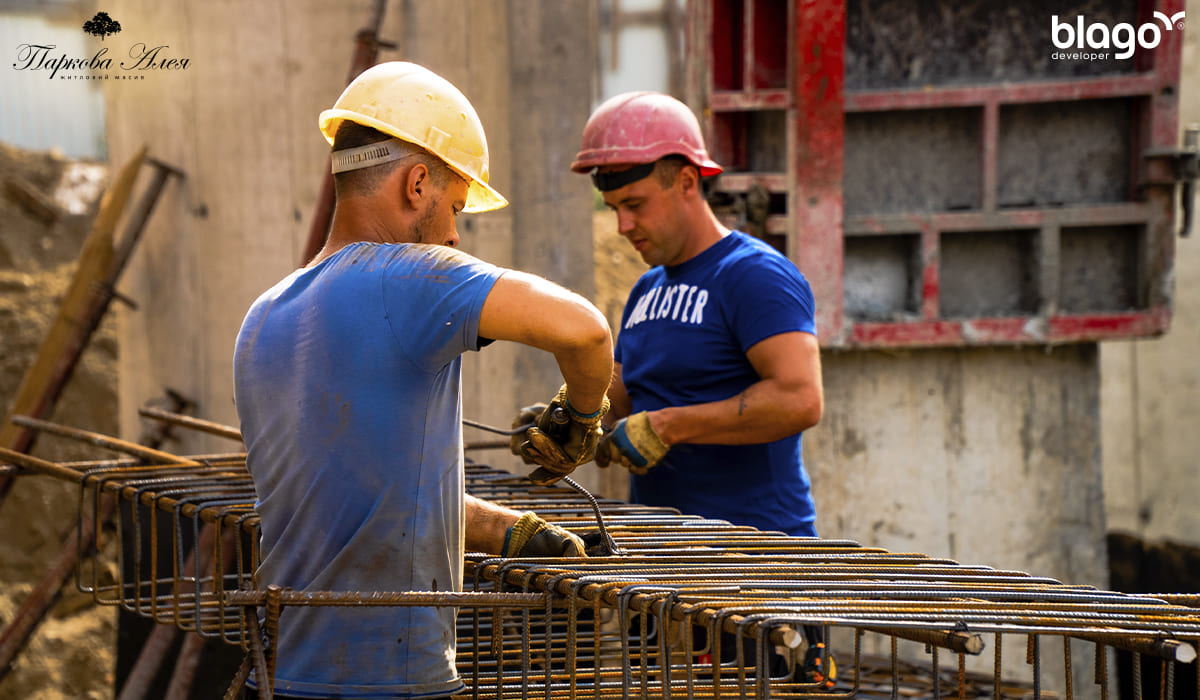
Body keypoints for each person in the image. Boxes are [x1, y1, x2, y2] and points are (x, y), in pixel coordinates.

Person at [233, 61, 612, 700]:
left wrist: (505, 530)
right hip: (390, 681)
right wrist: (579, 418)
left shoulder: (265, 314)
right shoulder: (409, 276)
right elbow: (586, 331)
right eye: (456, 206)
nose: (455, 232)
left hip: (280, 673)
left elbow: (352, 494)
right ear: (417, 184)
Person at [567, 91, 834, 687]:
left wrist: (670, 426)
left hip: (755, 570)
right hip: (666, 571)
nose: (622, 225)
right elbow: (626, 399)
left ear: (686, 180)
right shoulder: (645, 292)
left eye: (634, 204)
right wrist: (570, 419)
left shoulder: (754, 275)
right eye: (613, 207)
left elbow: (800, 397)